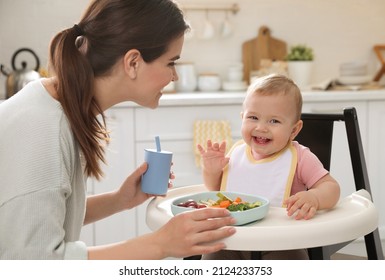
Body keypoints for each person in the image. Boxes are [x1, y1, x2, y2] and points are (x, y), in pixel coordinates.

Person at [0, 0, 236, 260]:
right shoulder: (43, 131)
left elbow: (45, 218)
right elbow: (34, 265)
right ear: (133, 62)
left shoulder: (53, 105)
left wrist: (119, 200)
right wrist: (160, 244)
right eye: (171, 63)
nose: (174, 77)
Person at [197, 74, 340, 260]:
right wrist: (211, 170)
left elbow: (332, 188)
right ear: (242, 118)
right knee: (211, 252)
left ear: (294, 130)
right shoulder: (237, 153)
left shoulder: (300, 157)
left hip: (281, 241)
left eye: (274, 121)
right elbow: (217, 190)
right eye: (253, 117)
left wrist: (314, 197)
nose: (261, 127)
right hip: (232, 240)